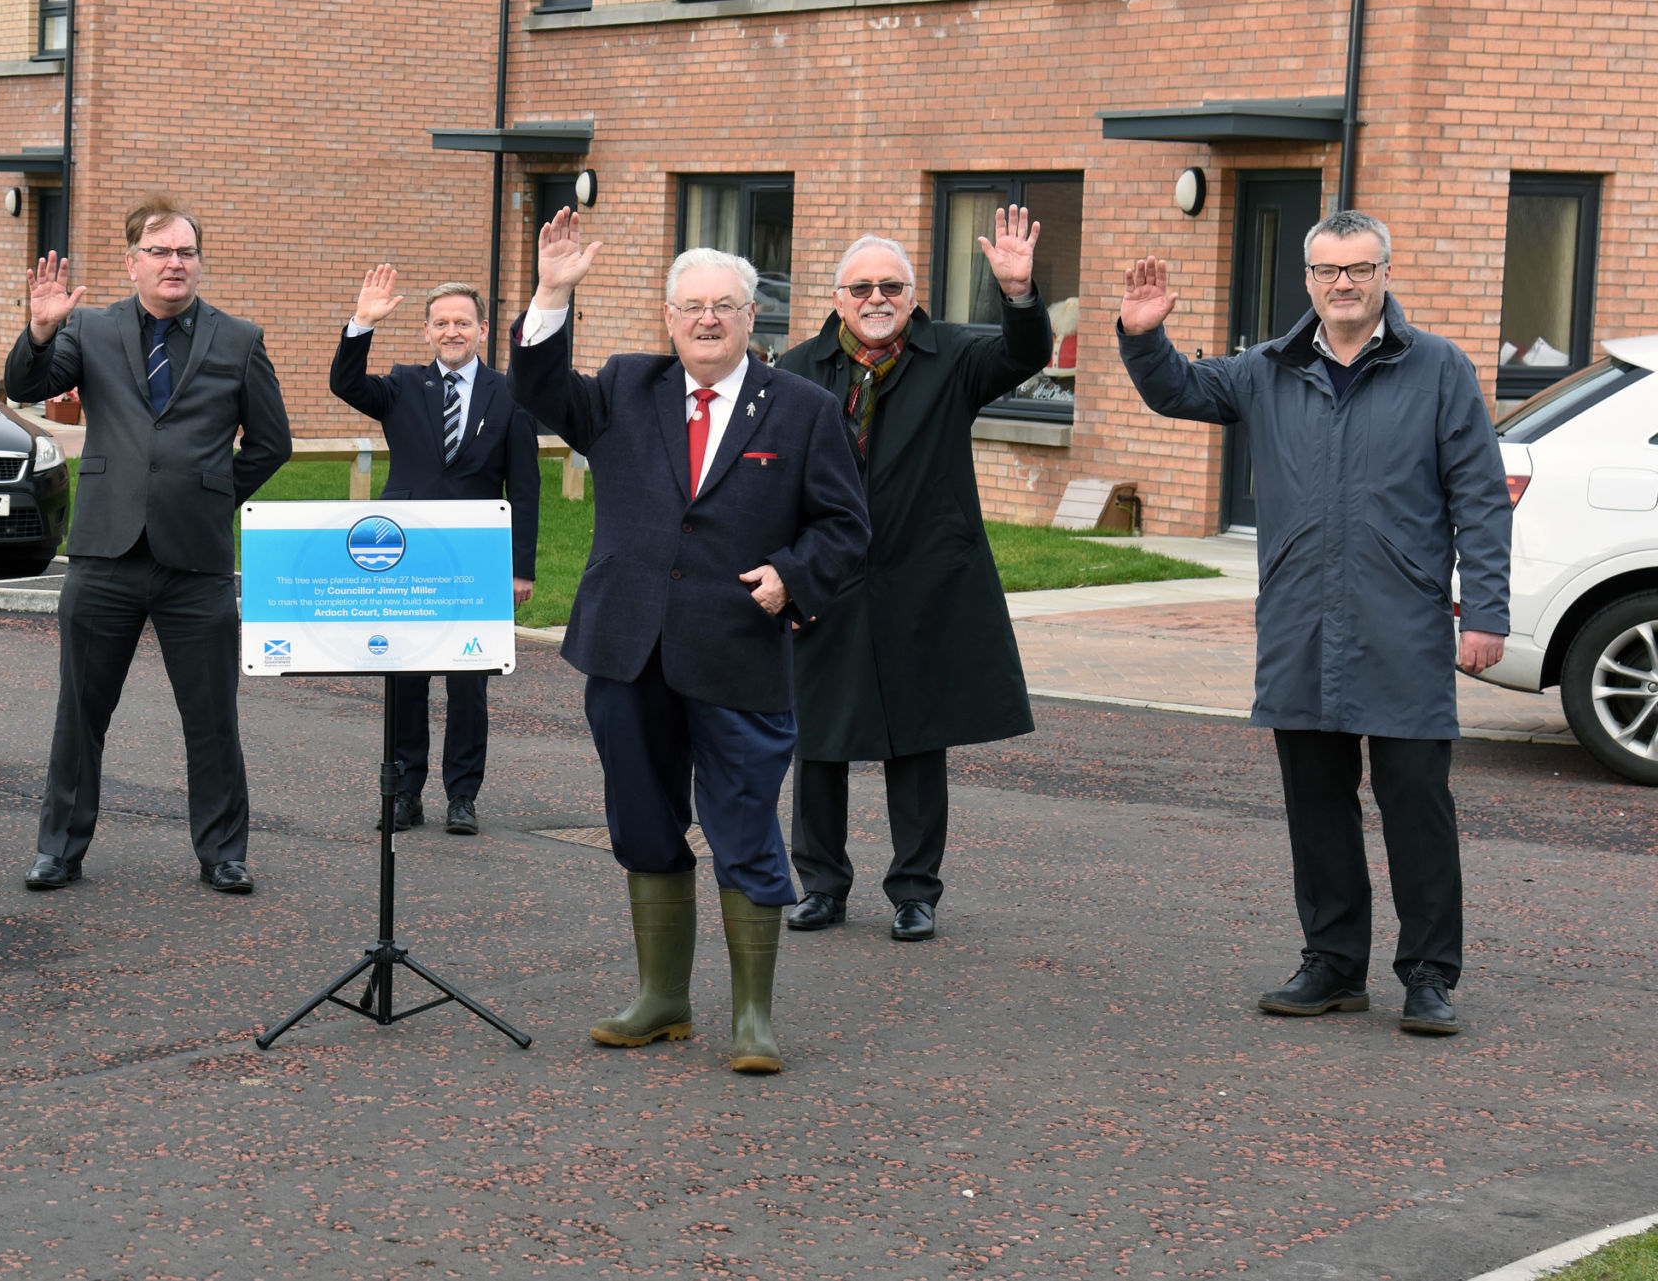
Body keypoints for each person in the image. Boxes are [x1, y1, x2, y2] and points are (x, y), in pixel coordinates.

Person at [1117, 210, 1510, 1037]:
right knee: (1317, 806)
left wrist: (1484, 611)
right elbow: (1178, 390)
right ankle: (1333, 964)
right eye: (1329, 269)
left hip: (1402, 625)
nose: (1344, 283)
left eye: (1360, 268)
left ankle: (1429, 974)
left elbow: (1479, 498)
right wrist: (1144, 336)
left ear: (1384, 274)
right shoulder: (1268, 367)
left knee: (1417, 805)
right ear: (1307, 279)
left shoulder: (1439, 368)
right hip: (1302, 625)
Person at [509, 208, 869, 1075]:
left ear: (752, 317)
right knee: (641, 820)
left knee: (744, 825)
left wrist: (792, 575)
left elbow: (846, 527)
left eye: (724, 305)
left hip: (737, 648)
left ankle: (753, 1017)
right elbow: (538, 390)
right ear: (669, 319)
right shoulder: (625, 386)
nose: (708, 319)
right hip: (627, 648)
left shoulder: (804, 409)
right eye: (692, 306)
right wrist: (551, 292)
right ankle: (662, 998)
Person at [777, 212, 1052, 943]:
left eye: (891, 286)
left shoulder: (951, 357)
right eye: (862, 287)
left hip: (924, 581)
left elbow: (1025, 352)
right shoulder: (798, 370)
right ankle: (821, 885)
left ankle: (914, 891)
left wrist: (1018, 293)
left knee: (917, 740)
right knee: (820, 738)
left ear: (912, 295)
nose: (877, 298)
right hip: (828, 578)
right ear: (838, 298)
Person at [5, 197, 292, 895]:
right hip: (106, 553)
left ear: (198, 262)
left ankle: (223, 851)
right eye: (159, 251)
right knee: (81, 712)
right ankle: (59, 849)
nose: (174, 263)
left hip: (195, 561)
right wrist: (39, 331)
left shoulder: (239, 339)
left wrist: (211, 493)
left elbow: (272, 442)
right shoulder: (91, 328)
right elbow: (26, 385)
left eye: (185, 252)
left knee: (212, 717)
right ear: (133, 262)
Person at [330, 267, 541, 834]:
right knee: (406, 679)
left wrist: (520, 568)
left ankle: (462, 796)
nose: (452, 332)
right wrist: (362, 323)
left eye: (463, 323)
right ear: (426, 331)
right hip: (405, 554)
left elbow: (524, 488)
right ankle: (405, 792)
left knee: (469, 683)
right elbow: (346, 385)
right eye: (442, 323)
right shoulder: (402, 385)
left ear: (482, 330)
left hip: (475, 558)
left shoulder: (510, 395)